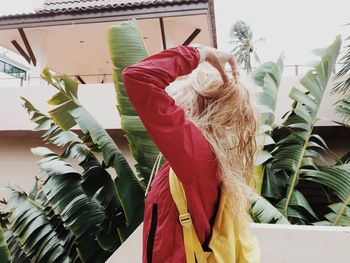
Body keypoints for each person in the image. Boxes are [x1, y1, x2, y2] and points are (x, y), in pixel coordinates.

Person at [122, 45, 258, 263]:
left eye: (183, 90)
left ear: (197, 102)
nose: (174, 95)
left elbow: (138, 76)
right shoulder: (211, 153)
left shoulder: (196, 153)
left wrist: (200, 53)